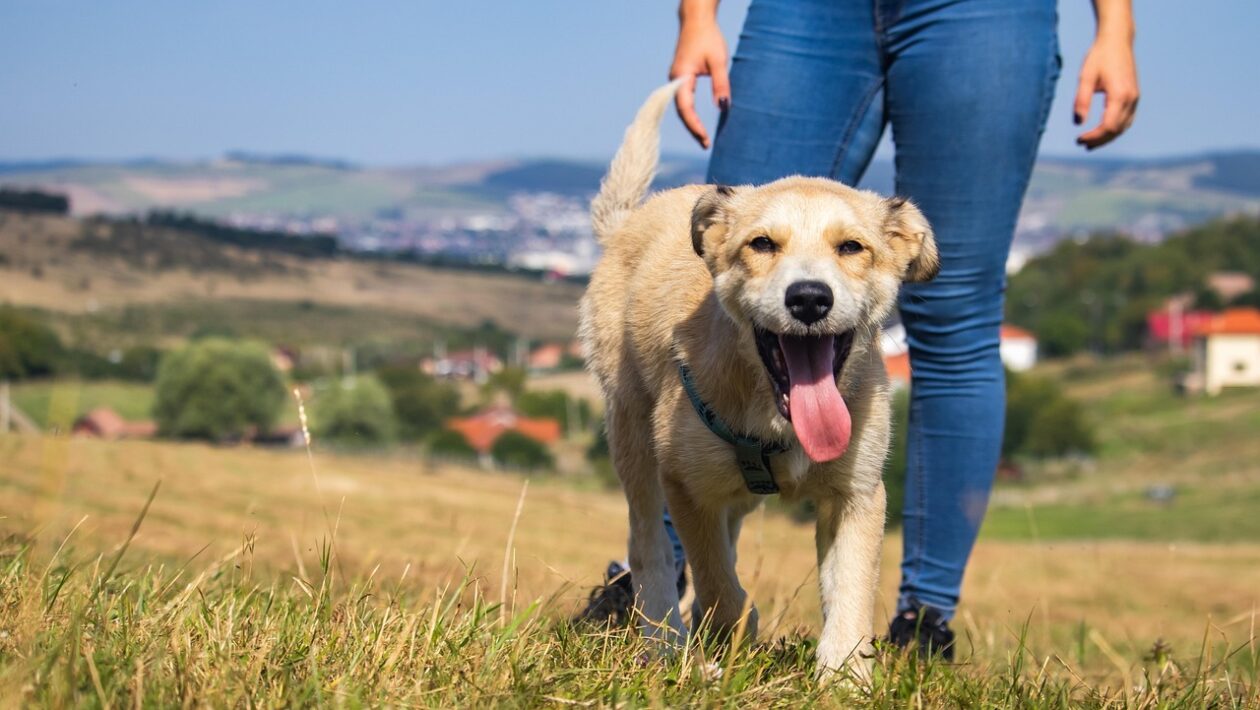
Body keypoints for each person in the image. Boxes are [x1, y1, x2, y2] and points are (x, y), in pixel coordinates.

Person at [580, 0, 1138, 658]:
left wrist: (1115, 26)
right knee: (736, 256)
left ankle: (920, 622)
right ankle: (667, 582)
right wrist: (698, 15)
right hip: (808, 11)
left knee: (955, 309)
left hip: (986, 13)